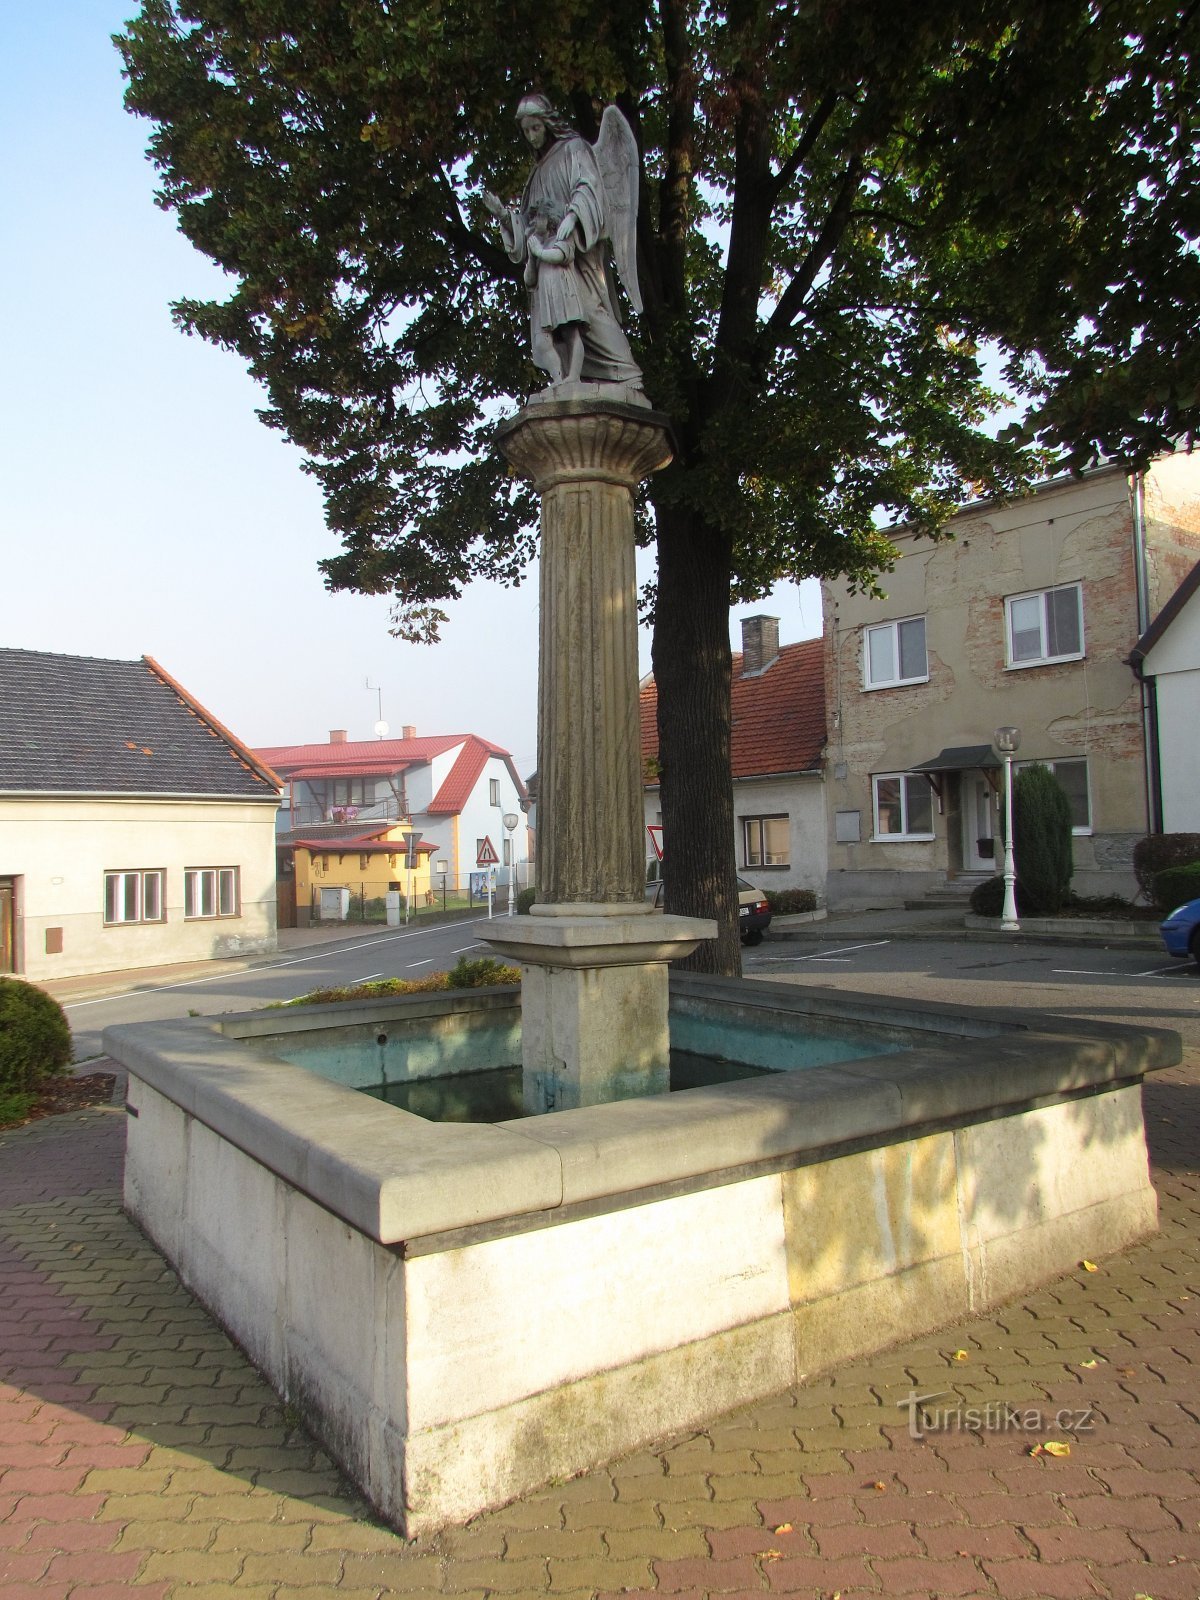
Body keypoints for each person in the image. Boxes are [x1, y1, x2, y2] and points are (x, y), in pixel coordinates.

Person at [484, 94, 644, 393]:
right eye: (526, 131)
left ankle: (626, 373)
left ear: (548, 123)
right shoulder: (535, 174)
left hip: (575, 253)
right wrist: (505, 217)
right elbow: (528, 224)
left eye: (536, 128)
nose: (532, 136)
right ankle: (566, 378)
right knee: (554, 331)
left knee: (588, 314)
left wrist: (571, 218)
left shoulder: (574, 149)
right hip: (548, 264)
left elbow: (589, 188)